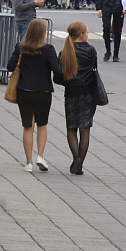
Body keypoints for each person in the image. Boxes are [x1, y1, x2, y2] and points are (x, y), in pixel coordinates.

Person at [6, 19, 61, 173]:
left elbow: (10, 66)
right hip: (43, 92)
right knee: (42, 124)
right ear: (43, 33)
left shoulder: (21, 48)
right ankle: (40, 157)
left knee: (28, 126)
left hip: (24, 91)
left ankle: (28, 162)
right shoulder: (48, 49)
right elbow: (57, 70)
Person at [56, 22, 99, 175]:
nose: (88, 34)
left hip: (71, 93)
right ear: (81, 35)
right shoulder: (91, 50)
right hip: (88, 92)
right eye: (86, 32)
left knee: (71, 127)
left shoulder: (65, 51)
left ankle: (76, 157)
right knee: (85, 128)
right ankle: (80, 163)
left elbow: (58, 76)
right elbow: (94, 70)